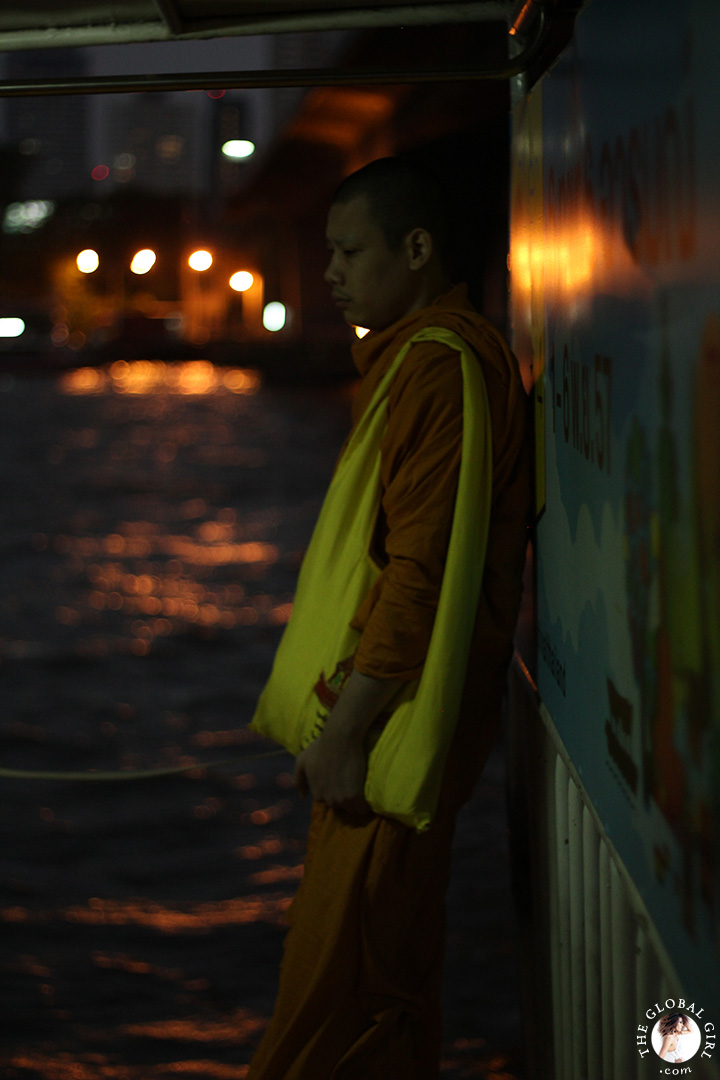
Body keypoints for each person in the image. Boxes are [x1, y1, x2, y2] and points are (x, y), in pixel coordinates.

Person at [246, 157, 532, 1080]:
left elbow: (416, 576)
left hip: (386, 740)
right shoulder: (424, 360)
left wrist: (348, 732)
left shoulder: (438, 373)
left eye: (348, 251)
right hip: (382, 728)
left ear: (417, 249)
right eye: (327, 252)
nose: (328, 271)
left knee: (351, 999)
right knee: (373, 982)